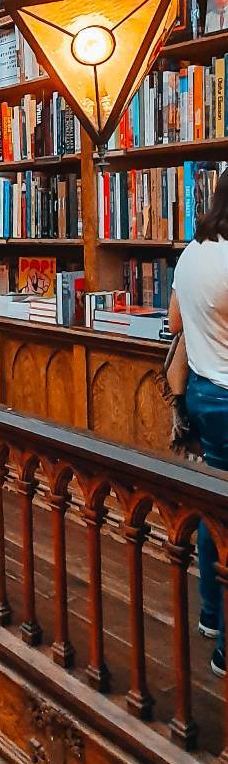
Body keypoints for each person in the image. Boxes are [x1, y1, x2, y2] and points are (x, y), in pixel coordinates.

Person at [169, 165, 228, 679]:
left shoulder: (192, 254)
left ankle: (211, 614)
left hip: (202, 394)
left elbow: (173, 323)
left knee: (215, 507)